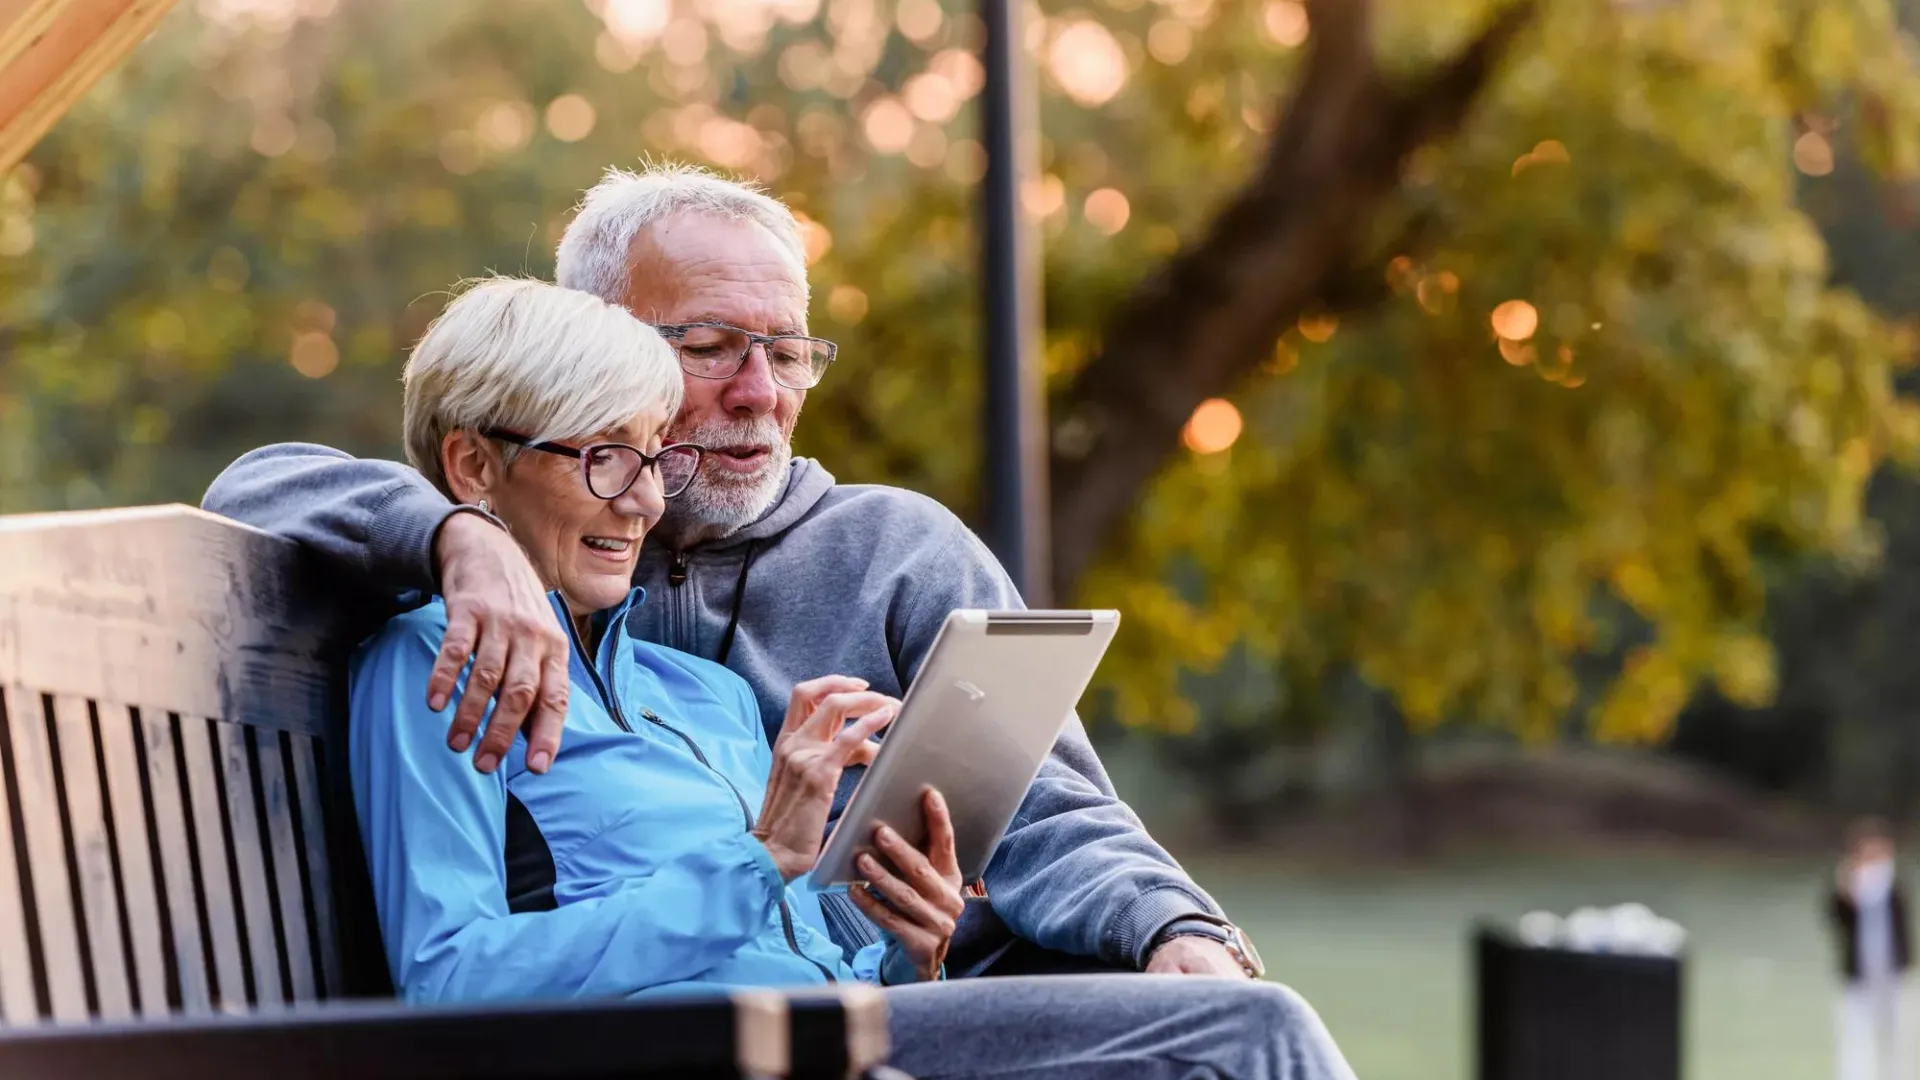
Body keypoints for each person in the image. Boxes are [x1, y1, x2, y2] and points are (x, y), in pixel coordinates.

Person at [203, 161, 1254, 979]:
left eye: (787, 351)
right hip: (706, 1036)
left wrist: (1171, 930)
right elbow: (261, 486)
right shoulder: (534, 523)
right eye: (709, 346)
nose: (760, 391)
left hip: (927, 994)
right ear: (601, 354)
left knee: (1227, 1023)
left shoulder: (893, 553)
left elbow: (1050, 809)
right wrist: (457, 539)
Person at [351, 275, 1356, 1080]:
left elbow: (821, 931)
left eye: (653, 458)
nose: (642, 502)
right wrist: (759, 860)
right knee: (1242, 1038)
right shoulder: (432, 668)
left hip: (853, 1033)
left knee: (1216, 1025)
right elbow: (449, 984)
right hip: (703, 1055)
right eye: (606, 459)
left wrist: (906, 944)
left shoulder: (692, 690)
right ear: (475, 467)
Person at [1830, 817, 1914, 1080]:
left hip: (1894, 974)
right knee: (1856, 1040)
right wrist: (1846, 888)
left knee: (1898, 1039)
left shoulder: (1893, 886)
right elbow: (1836, 917)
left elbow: (1901, 914)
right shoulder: (1848, 888)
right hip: (1859, 976)